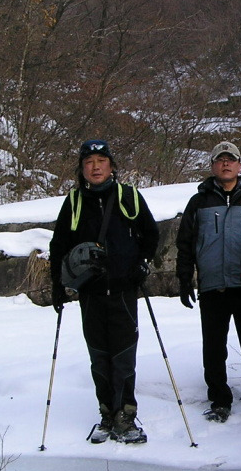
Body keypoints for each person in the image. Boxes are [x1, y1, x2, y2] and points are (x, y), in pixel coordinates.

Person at [49, 139, 160, 443]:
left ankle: (125, 415)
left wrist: (142, 263)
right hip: (91, 294)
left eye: (101, 161)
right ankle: (106, 414)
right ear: (81, 169)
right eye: (89, 162)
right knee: (99, 356)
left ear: (111, 165)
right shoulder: (73, 202)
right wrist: (58, 287)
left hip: (123, 291)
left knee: (123, 356)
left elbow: (150, 234)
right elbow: (58, 246)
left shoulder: (128, 197)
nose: (95, 167)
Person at [175, 141, 241, 423]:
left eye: (231, 160)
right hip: (212, 286)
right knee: (214, 347)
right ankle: (219, 399)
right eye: (220, 160)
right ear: (213, 165)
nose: (226, 164)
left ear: (240, 165)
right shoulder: (199, 202)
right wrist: (185, 280)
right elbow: (186, 244)